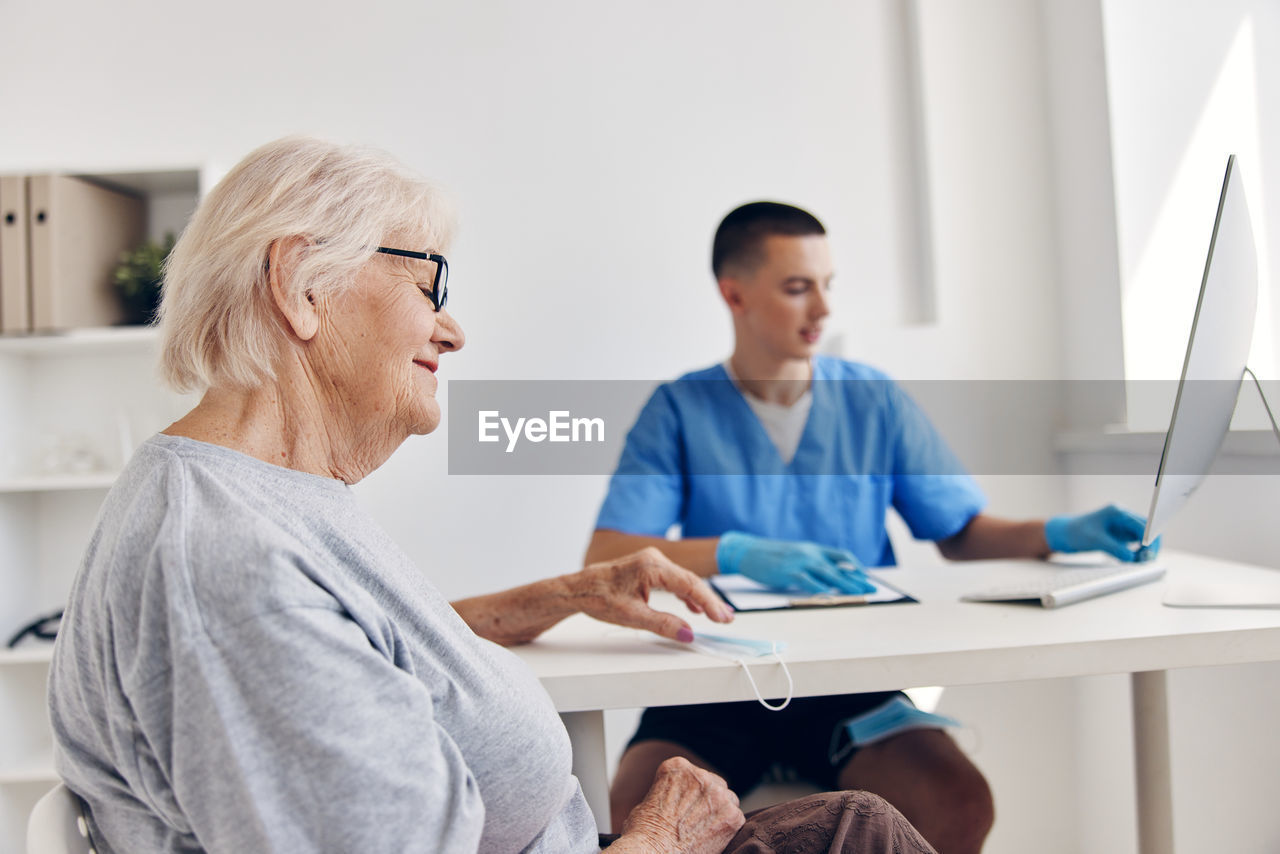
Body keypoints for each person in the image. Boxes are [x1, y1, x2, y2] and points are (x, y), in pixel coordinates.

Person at [46, 140, 937, 854]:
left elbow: (364, 647)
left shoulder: (266, 500)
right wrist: (661, 841)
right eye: (427, 279)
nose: (452, 325)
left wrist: (561, 595)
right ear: (299, 285)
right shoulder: (227, 563)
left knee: (861, 823)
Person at [586, 201, 1160, 853]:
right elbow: (609, 552)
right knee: (628, 820)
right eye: (799, 288)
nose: (823, 310)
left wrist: (1057, 534)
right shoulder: (679, 408)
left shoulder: (874, 399)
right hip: (712, 686)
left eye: (828, 285)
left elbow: (959, 532)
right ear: (734, 293)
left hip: (847, 685)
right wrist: (738, 551)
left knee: (958, 802)